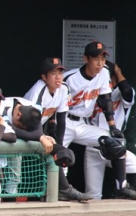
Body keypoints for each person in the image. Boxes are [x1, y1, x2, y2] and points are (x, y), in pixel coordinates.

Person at [62, 41, 136, 200]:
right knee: (58, 156)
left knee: (115, 140)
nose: (100, 63)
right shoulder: (70, 78)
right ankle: (60, 191)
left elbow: (107, 100)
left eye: (102, 59)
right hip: (65, 121)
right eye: (96, 59)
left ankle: (121, 187)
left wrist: (112, 127)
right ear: (85, 59)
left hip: (81, 124)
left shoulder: (104, 72)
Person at [24, 58, 92, 202]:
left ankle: (60, 190)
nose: (58, 77)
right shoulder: (38, 90)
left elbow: (61, 119)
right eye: (53, 73)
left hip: (35, 131)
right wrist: (45, 139)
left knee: (57, 152)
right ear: (44, 77)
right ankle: (64, 190)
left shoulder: (63, 88)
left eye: (60, 73)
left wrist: (60, 145)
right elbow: (33, 121)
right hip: (22, 129)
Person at [84, 61, 136, 200]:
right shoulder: (91, 92)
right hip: (94, 147)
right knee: (93, 194)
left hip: (116, 145)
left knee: (132, 163)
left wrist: (118, 71)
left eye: (108, 78)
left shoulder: (121, 93)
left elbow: (127, 91)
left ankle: (125, 194)